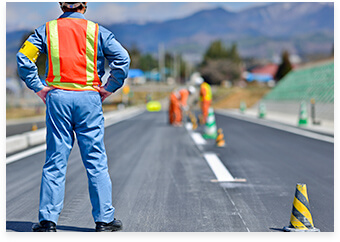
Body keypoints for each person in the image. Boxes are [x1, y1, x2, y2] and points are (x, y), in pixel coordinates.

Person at [16, 2, 130, 232]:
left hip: (57, 97)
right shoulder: (97, 31)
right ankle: (104, 220)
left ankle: (48, 221)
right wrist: (108, 88)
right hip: (89, 98)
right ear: (85, 4)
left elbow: (24, 58)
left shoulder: (46, 30)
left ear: (61, 4)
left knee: (55, 159)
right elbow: (123, 60)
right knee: (95, 159)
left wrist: (39, 87)